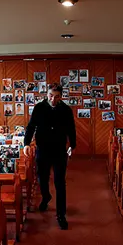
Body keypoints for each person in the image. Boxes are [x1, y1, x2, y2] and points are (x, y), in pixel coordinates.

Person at [24, 83, 76, 230]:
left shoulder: (65, 110)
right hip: (43, 149)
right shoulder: (39, 108)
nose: (53, 100)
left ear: (61, 96)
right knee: (42, 178)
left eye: (57, 97)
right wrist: (26, 143)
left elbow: (71, 128)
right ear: (46, 94)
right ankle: (46, 196)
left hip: (59, 150)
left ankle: (61, 215)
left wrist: (72, 145)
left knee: (60, 183)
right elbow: (31, 126)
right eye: (50, 96)